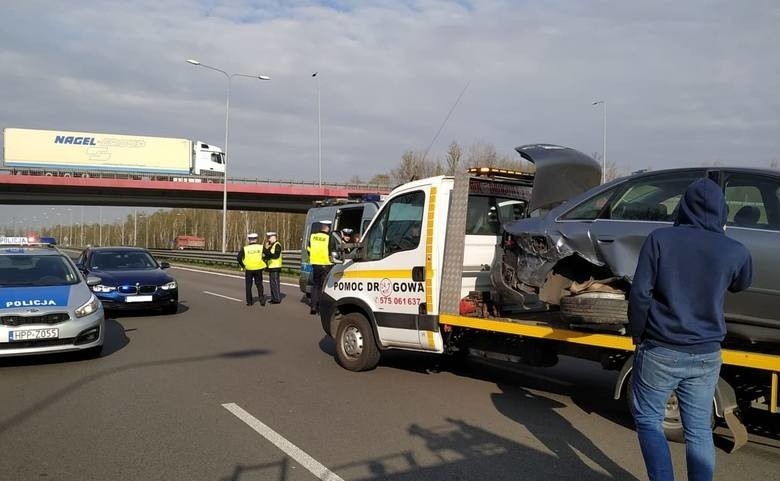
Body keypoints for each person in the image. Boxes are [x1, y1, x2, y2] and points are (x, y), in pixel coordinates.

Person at [628, 178, 752, 481]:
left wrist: (638, 333)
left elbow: (640, 293)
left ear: (684, 206)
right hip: (707, 354)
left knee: (648, 420)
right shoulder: (735, 250)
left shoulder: (660, 240)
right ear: (722, 211)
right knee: (698, 431)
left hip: (661, 348)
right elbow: (741, 283)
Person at [307, 220, 337, 315]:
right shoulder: (329, 237)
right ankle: (321, 306)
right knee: (323, 286)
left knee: (316, 285)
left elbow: (308, 249)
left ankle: (313, 306)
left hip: (315, 264)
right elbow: (332, 251)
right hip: (326, 264)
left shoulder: (313, 236)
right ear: (328, 227)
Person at [237, 233, 266, 306]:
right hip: (258, 268)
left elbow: (238, 258)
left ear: (249, 240)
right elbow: (268, 254)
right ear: (256, 239)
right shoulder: (261, 247)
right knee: (259, 285)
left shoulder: (245, 248)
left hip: (249, 269)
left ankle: (249, 302)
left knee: (248, 286)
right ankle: (262, 300)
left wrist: (243, 265)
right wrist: (263, 261)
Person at [263, 231, 283, 304]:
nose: (268, 239)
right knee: (272, 283)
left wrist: (266, 250)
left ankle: (277, 299)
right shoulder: (272, 245)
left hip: (275, 267)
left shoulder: (277, 245)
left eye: (270, 237)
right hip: (271, 267)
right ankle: (273, 298)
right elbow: (268, 255)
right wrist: (266, 249)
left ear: (274, 237)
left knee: (275, 283)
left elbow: (275, 255)